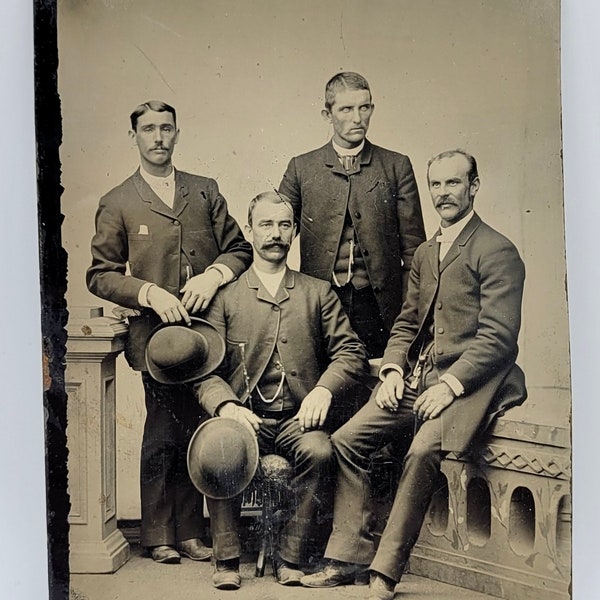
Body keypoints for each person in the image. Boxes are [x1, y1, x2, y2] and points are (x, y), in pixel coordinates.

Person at [301, 150, 527, 600]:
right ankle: (348, 556)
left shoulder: (496, 249)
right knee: (346, 441)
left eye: (454, 184)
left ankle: (384, 571)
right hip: (419, 379)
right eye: (436, 185)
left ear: (474, 187)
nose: (444, 193)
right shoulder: (426, 252)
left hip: (474, 384)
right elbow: (407, 322)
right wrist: (391, 370)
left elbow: (499, 338)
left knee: (422, 448)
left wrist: (449, 385)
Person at [86, 101, 253, 564]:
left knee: (197, 428)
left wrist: (213, 275)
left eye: (166, 128)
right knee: (162, 433)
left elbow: (240, 248)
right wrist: (147, 294)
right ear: (134, 136)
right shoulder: (118, 200)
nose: (158, 137)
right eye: (148, 130)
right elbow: (99, 274)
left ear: (177, 133)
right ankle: (158, 535)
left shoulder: (204, 191)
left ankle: (191, 533)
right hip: (156, 343)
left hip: (206, 338)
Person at [194, 191, 369, 590]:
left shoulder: (317, 292)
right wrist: (225, 406)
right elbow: (203, 371)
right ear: (251, 230)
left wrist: (323, 391)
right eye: (266, 225)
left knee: (320, 450)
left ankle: (289, 557)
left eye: (284, 225)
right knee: (219, 445)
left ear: (293, 232)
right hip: (244, 419)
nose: (275, 234)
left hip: (297, 420)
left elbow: (351, 352)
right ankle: (226, 560)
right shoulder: (226, 297)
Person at [278, 72, 426, 358]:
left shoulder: (396, 166)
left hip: (380, 307)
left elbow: (414, 253)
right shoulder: (302, 168)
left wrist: (409, 312)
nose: (357, 118)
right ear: (327, 114)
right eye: (346, 109)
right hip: (320, 303)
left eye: (365, 107)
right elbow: (277, 233)